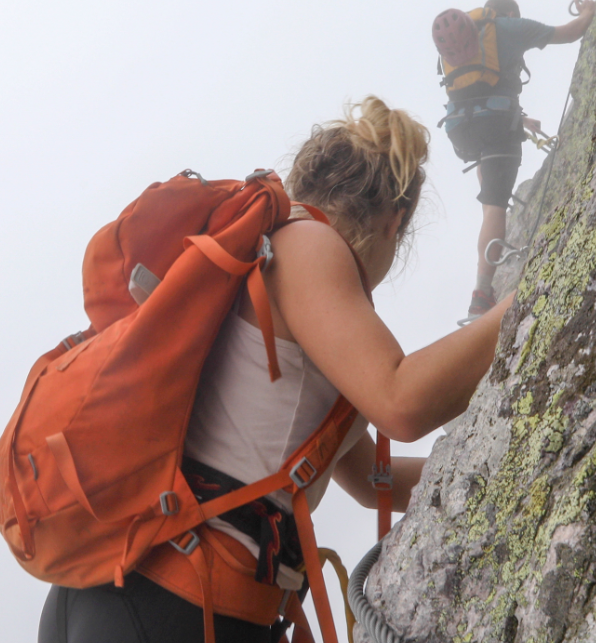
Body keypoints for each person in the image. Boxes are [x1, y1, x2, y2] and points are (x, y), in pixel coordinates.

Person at [38, 96, 513, 643]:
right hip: (181, 600)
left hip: (130, 593)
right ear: (395, 222)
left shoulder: (263, 267)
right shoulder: (308, 242)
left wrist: (489, 462)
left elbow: (367, 482)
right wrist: (529, 298)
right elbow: (401, 401)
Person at [433, 0, 596, 319]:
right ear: (509, 13)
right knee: (495, 206)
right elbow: (571, 32)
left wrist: (520, 119)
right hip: (497, 130)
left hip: (464, 132)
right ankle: (482, 294)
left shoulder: (456, 46)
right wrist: (589, 11)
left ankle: (484, 269)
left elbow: (477, 92)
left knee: (489, 206)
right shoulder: (508, 27)